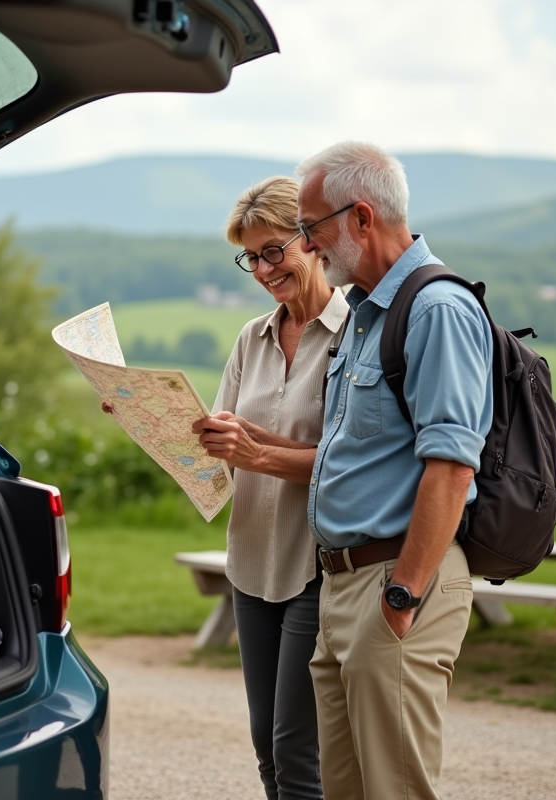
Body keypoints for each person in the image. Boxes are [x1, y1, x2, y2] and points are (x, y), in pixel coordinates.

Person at [295, 141, 493, 800]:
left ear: (360, 218)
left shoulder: (436, 308)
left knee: (396, 792)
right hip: (345, 586)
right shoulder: (364, 313)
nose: (305, 245)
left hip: (396, 584)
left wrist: (402, 596)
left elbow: (451, 468)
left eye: (310, 227)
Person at [192, 176, 349, 800]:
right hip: (251, 562)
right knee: (267, 745)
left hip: (318, 566)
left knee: (295, 747)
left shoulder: (355, 334)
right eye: (250, 257)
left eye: (272, 251)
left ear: (311, 241)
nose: (261, 269)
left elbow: (359, 462)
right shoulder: (249, 338)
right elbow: (217, 461)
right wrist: (146, 419)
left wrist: (256, 452)